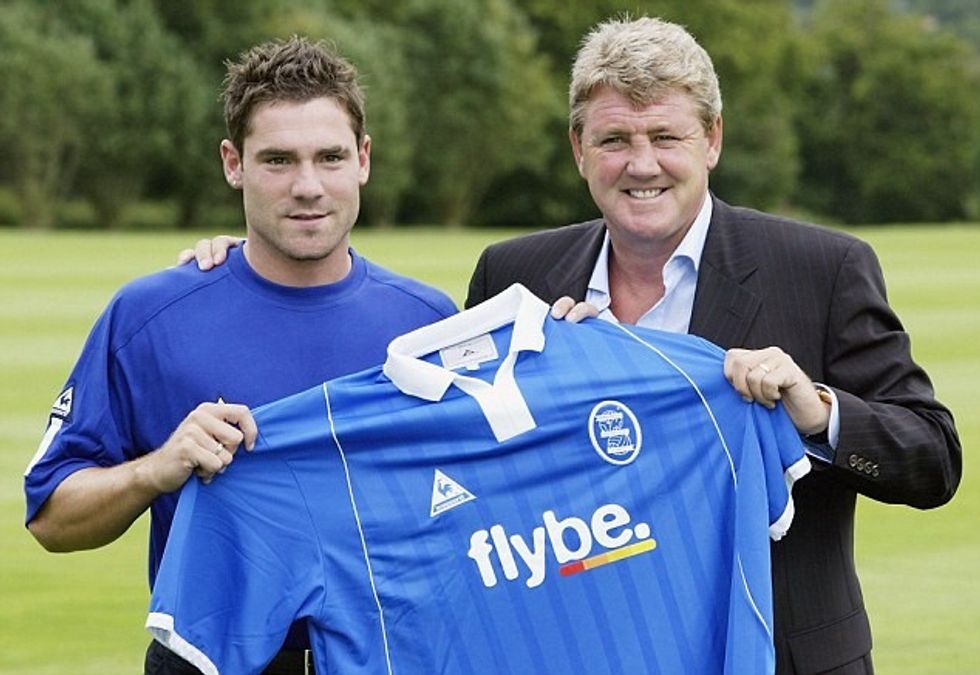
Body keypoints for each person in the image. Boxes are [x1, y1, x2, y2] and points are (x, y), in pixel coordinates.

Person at [182, 16, 962, 675]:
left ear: (713, 140)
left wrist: (812, 409)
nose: (642, 163)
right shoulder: (514, 275)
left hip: (767, 653)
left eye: (666, 135)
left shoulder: (820, 268)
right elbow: (455, 460)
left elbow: (933, 456)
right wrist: (248, 261)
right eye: (615, 138)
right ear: (578, 148)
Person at [24, 36, 456, 675]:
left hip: (401, 657)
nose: (307, 186)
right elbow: (52, 516)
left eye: (330, 157)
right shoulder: (147, 317)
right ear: (234, 163)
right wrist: (157, 468)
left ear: (363, 160)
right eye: (278, 160)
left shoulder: (433, 324)